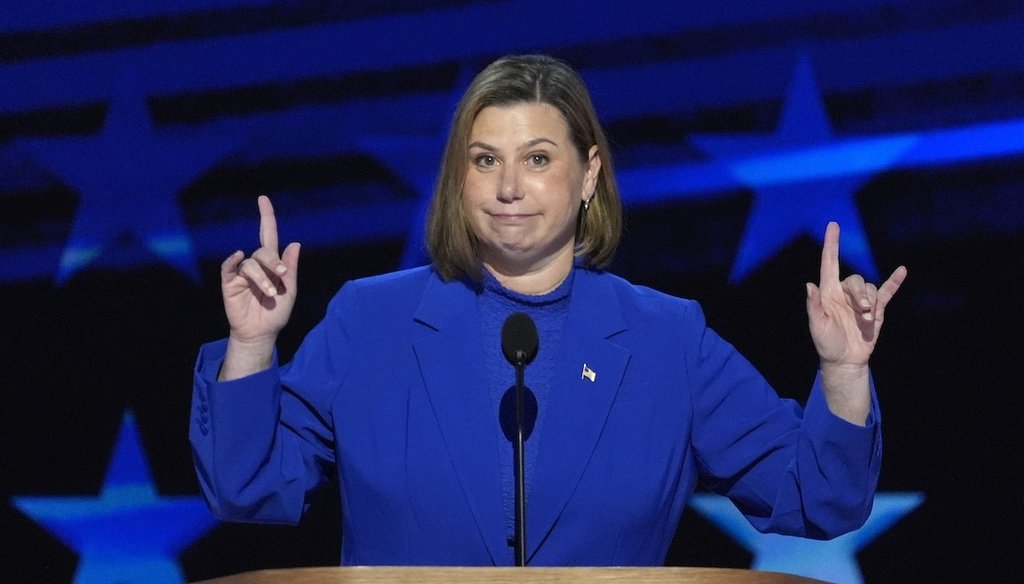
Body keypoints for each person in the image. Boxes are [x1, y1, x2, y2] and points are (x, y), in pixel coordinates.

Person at [190, 54, 907, 567]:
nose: (507, 187)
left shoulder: (667, 339)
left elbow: (819, 499)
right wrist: (252, 345)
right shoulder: (368, 321)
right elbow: (246, 490)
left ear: (590, 172)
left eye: (536, 159)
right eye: (483, 159)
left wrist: (843, 372)